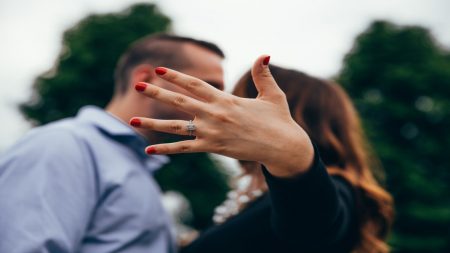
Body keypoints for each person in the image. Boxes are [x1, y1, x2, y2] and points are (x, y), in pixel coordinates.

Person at [130, 58, 394, 253]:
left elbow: (312, 230)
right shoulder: (259, 198)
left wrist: (293, 156)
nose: (225, 111)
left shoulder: (335, 189)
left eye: (241, 103)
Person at [0, 34, 225, 253]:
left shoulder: (133, 161)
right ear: (145, 80)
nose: (219, 101)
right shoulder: (62, 145)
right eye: (206, 86)